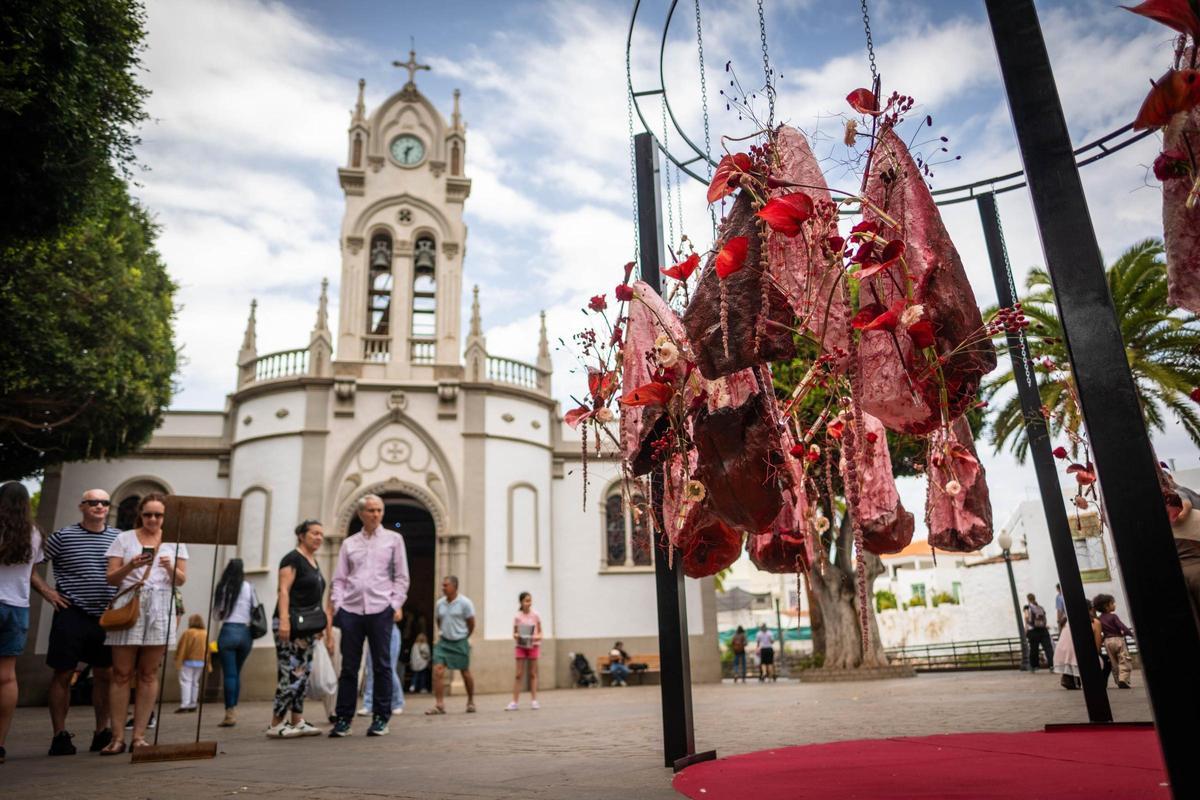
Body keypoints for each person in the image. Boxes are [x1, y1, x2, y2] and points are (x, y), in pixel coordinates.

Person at [28, 488, 119, 756]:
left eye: (104, 503)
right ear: (82, 506)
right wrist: (47, 591)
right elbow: (30, 564)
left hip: (106, 616)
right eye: (93, 502)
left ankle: (101, 732)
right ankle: (60, 735)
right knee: (63, 673)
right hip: (71, 613)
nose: (100, 506)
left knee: (105, 675)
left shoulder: (118, 538)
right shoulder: (63, 536)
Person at [100, 493, 187, 755]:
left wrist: (170, 568)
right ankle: (117, 737)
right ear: (141, 514)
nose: (152, 519)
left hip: (161, 605)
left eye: (158, 515)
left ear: (165, 517)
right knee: (121, 672)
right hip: (130, 604)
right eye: (148, 514)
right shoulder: (124, 539)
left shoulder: (176, 543)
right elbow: (111, 578)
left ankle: (139, 736)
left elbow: (182, 580)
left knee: (149, 673)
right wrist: (131, 566)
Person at [330, 495, 409, 737]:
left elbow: (401, 577)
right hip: (352, 611)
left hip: (380, 610)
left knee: (382, 666)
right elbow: (339, 579)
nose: (375, 514)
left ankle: (380, 718)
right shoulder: (349, 544)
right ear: (361, 514)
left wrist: (393, 604)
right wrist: (338, 606)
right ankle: (343, 719)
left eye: (379, 510)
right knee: (349, 668)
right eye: (371, 510)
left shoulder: (394, 539)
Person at [267, 520, 329, 739]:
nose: (319, 538)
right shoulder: (292, 558)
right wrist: (284, 620)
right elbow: (283, 590)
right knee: (289, 673)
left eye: (321, 534)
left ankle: (297, 720)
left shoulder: (313, 561)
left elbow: (315, 596)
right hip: (290, 624)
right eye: (314, 533)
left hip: (307, 627)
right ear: (301, 535)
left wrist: (319, 625)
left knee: (303, 674)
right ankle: (276, 723)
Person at [0, 482, 42, 766]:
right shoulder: (36, 533)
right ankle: (0, 744)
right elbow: (32, 571)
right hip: (18, 608)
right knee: (7, 677)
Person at [213, 558, 256, 727]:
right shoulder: (249, 587)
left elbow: (218, 615)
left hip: (229, 631)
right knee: (237, 673)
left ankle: (229, 712)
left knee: (229, 674)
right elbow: (255, 609)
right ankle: (233, 708)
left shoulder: (223, 588)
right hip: (245, 634)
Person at [426, 575, 476, 714]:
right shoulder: (439, 603)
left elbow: (471, 623)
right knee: (438, 670)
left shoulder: (465, 603)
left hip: (460, 641)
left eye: (446, 585)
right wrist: (443, 632)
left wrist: (465, 636)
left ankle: (471, 701)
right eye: (443, 585)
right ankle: (439, 704)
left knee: (465, 672)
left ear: (454, 587)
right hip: (444, 642)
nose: (443, 587)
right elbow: (438, 620)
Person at [1053, 600, 1102, 691]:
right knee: (1102, 661)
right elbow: (1097, 645)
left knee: (1074, 653)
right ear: (1091, 609)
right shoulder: (1095, 622)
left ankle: (1069, 677)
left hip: (1061, 653)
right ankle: (1088, 679)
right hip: (1078, 654)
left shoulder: (1066, 621)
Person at [506, 591, 542, 710]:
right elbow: (514, 633)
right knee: (518, 674)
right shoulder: (517, 616)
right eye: (526, 601)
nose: (528, 603)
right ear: (521, 602)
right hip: (521, 646)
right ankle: (514, 702)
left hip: (533, 645)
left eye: (530, 600)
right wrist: (519, 636)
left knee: (532, 674)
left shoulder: (536, 615)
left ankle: (534, 701)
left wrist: (533, 637)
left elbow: (541, 633)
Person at [359, 622, 404, 717]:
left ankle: (396, 702)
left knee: (389, 669)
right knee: (371, 669)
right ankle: (368, 705)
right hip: (373, 632)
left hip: (389, 631)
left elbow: (398, 615)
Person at [1094, 593, 1134, 688]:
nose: (1114, 605)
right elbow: (1121, 626)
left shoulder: (1099, 619)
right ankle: (1123, 679)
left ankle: (1118, 680)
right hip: (1118, 640)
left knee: (1113, 662)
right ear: (1106, 606)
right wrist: (1130, 634)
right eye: (1112, 603)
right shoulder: (1113, 616)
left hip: (1107, 642)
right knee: (1124, 659)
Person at [174, 614, 210, 712]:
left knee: (186, 681)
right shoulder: (205, 633)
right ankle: (193, 704)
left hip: (188, 661)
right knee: (195, 682)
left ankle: (185, 704)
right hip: (201, 662)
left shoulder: (188, 633)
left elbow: (182, 647)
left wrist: (177, 659)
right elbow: (208, 649)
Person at [1024, 593, 1053, 672]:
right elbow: (1044, 618)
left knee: (1034, 649)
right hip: (1043, 630)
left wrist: (1026, 629)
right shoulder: (1040, 607)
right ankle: (1052, 665)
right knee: (1048, 648)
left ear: (1028, 599)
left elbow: (1026, 618)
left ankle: (1034, 666)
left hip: (1033, 631)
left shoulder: (1027, 607)